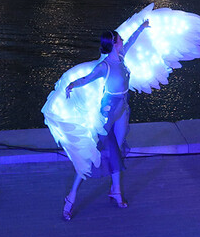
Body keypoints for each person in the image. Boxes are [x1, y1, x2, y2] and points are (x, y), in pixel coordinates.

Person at [60, 20, 150, 220]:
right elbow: (87, 79)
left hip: (123, 109)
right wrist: (72, 85)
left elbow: (132, 40)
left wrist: (142, 27)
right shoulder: (105, 66)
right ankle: (71, 197)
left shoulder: (121, 56)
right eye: (119, 39)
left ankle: (116, 191)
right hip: (108, 114)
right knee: (91, 153)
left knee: (117, 150)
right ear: (114, 43)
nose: (123, 40)